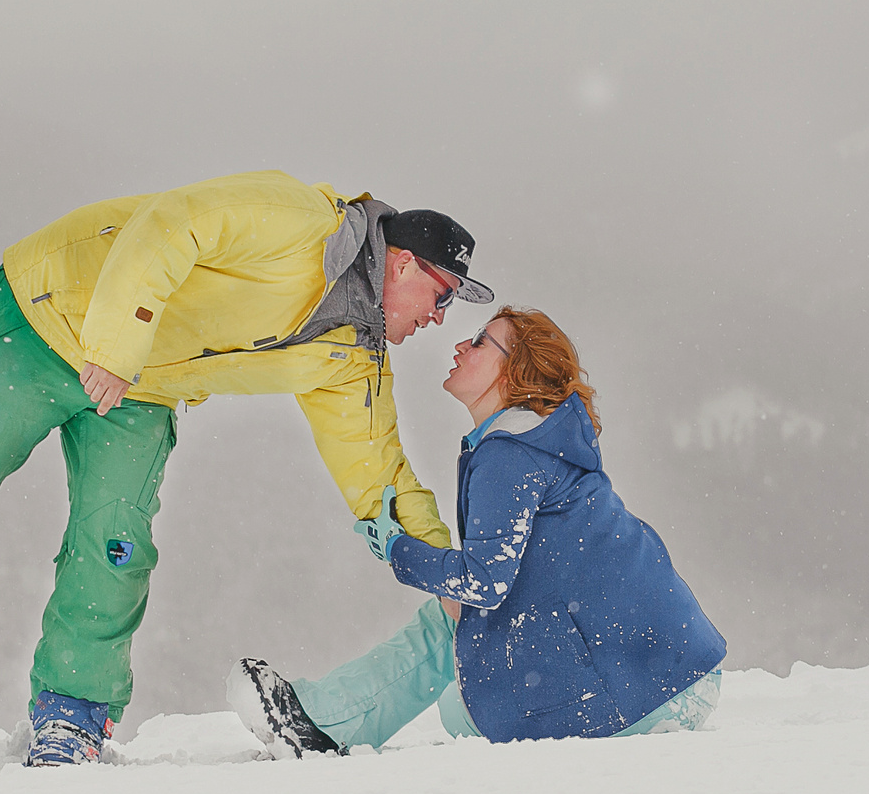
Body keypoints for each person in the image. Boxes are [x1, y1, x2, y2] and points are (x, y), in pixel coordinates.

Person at [0, 170, 493, 766]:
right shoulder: (302, 219)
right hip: (50, 317)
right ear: (402, 263)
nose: (439, 318)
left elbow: (381, 474)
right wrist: (116, 343)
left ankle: (71, 713)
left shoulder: (348, 358)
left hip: (139, 387)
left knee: (116, 544)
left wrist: (438, 569)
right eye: (441, 296)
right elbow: (170, 225)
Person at [235, 306, 725, 754]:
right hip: (676, 675)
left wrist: (396, 548)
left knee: (456, 676)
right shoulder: (532, 440)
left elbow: (484, 582)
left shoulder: (511, 451)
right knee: (456, 650)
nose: (459, 348)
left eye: (479, 342)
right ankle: (324, 720)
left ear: (514, 370)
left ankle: (320, 724)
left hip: (651, 692)